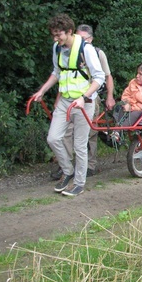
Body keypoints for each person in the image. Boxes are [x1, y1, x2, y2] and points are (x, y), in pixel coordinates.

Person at [31, 14, 105, 197]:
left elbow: (99, 78)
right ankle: (68, 170)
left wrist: (84, 97)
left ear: (69, 31)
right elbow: (56, 73)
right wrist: (42, 91)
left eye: (59, 35)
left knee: (80, 145)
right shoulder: (57, 48)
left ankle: (79, 183)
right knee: (53, 138)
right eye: (54, 36)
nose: (56, 39)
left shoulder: (86, 49)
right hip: (65, 101)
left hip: (83, 103)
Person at [52, 24, 116, 180]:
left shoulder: (97, 53)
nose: (80, 40)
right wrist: (58, 99)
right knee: (65, 133)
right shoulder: (66, 50)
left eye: (84, 38)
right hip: (69, 98)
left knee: (89, 134)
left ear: (91, 39)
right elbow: (65, 76)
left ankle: (90, 165)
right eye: (78, 36)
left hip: (90, 97)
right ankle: (66, 165)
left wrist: (109, 96)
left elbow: (106, 76)